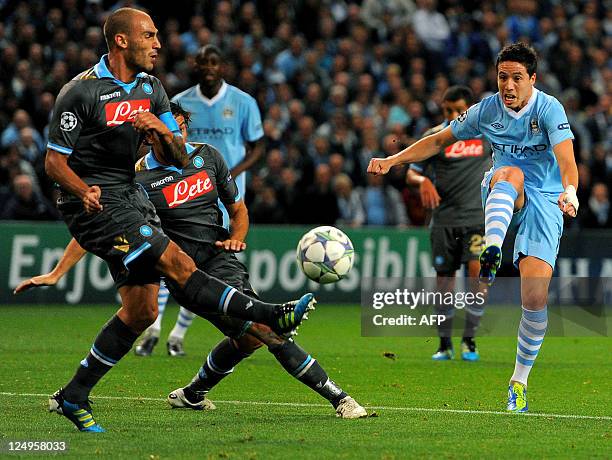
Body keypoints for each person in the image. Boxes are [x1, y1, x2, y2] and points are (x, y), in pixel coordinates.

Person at [41, 7, 313, 432]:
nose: (159, 44)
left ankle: (74, 396)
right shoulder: (80, 93)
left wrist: (162, 133)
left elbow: (179, 157)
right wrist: (83, 191)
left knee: (142, 311)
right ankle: (266, 312)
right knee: (179, 263)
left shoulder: (152, 89)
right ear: (121, 41)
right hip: (91, 201)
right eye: (149, 36)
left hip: (130, 196)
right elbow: (54, 163)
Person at [15, 103, 367, 420]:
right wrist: (58, 271)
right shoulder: (135, 178)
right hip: (186, 274)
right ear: (151, 136)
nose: (176, 137)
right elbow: (97, 226)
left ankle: (194, 394)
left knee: (249, 340)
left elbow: (238, 209)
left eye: (179, 129)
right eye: (167, 131)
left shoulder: (209, 157)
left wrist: (236, 236)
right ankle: (339, 398)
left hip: (221, 259)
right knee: (265, 330)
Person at [368, 43, 579, 413]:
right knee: (509, 173)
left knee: (534, 298)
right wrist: (394, 160)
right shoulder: (485, 110)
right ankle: (492, 247)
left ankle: (518, 382)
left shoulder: (549, 109)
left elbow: (566, 160)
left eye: (516, 78)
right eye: (502, 77)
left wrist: (571, 192)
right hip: (503, 188)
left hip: (547, 199)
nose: (508, 85)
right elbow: (438, 140)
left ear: (533, 79)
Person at [140, 44, 265, 356]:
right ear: (195, 65)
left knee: (206, 261)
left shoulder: (243, 102)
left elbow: (258, 146)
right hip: (177, 188)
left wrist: (229, 173)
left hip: (222, 190)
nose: (209, 67)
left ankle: (178, 334)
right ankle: (154, 328)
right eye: (203, 62)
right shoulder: (179, 102)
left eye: (214, 62)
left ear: (222, 66)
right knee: (175, 256)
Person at [405, 86, 491, 362]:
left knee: (478, 275)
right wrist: (424, 180)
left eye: (459, 110)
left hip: (477, 218)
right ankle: (444, 344)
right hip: (444, 220)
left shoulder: (485, 134)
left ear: (470, 109)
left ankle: (470, 339)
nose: (453, 115)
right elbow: (411, 174)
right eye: (448, 110)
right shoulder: (434, 137)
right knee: (445, 281)